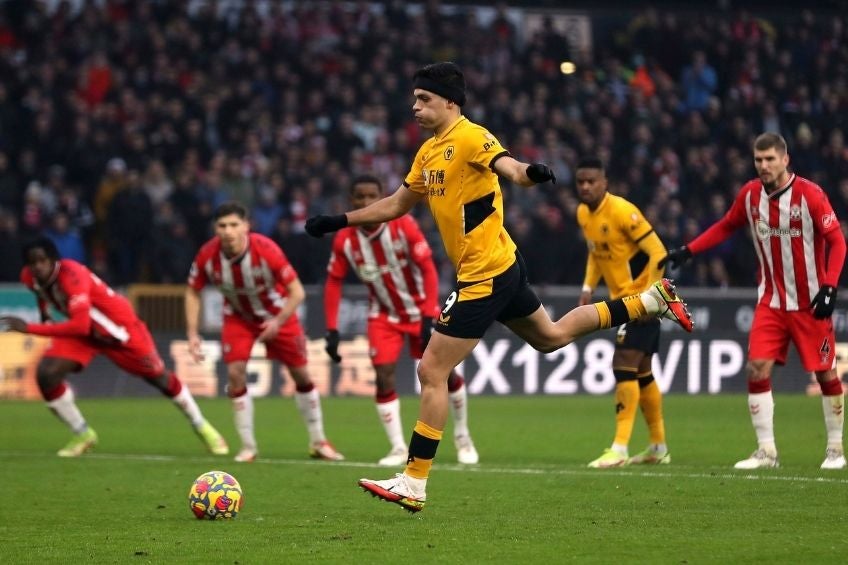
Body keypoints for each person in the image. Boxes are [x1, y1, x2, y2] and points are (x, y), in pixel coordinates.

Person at [305, 61, 693, 512]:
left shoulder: (470, 135)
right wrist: (339, 221)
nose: (415, 106)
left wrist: (532, 173)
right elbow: (396, 203)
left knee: (431, 371)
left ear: (449, 102)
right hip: (499, 267)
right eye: (414, 99)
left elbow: (507, 166)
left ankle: (413, 481)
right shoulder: (428, 152)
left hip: (484, 275)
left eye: (424, 99)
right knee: (551, 337)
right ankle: (649, 299)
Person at [662, 132, 847, 470]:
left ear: (785, 159)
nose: (763, 165)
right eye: (758, 160)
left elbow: (838, 242)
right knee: (756, 368)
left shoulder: (810, 195)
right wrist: (689, 250)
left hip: (810, 303)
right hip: (771, 302)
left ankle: (835, 450)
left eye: (770, 159)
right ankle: (766, 452)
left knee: (825, 374)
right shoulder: (749, 195)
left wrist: (830, 287)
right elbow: (725, 226)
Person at [0, 237, 229, 457]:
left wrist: (29, 328)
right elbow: (44, 295)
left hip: (119, 331)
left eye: (42, 261)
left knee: (159, 377)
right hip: (85, 333)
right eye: (33, 263)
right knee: (46, 374)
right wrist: (45, 317)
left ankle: (203, 427)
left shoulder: (72, 276)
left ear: (54, 260)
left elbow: (79, 325)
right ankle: (82, 434)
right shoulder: (29, 278)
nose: (38, 267)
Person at [323, 174, 478, 467]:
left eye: (373, 196)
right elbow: (333, 282)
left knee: (444, 373)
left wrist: (427, 314)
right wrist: (331, 329)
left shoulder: (402, 225)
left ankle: (462, 435)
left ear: (383, 197)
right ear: (351, 201)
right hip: (383, 314)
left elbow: (428, 268)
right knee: (383, 376)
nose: (366, 202)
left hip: (420, 309)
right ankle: (396, 446)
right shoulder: (345, 239)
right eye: (360, 197)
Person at [185, 201, 344, 463]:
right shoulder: (207, 255)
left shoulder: (266, 249)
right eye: (222, 226)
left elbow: (297, 292)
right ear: (215, 229)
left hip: (278, 315)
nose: (228, 231)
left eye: (234, 225)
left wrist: (277, 322)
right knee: (235, 373)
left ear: (246, 226)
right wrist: (192, 333)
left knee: (301, 375)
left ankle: (319, 441)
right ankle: (248, 447)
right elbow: (192, 290)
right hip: (238, 318)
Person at [574, 157, 672, 468]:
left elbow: (658, 252)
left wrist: (651, 297)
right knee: (641, 371)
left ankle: (619, 448)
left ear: (605, 183)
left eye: (592, 181)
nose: (586, 187)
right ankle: (658, 446)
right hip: (620, 301)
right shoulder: (583, 214)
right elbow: (595, 254)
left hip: (640, 301)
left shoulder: (622, 211)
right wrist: (588, 287)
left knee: (623, 363)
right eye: (581, 182)